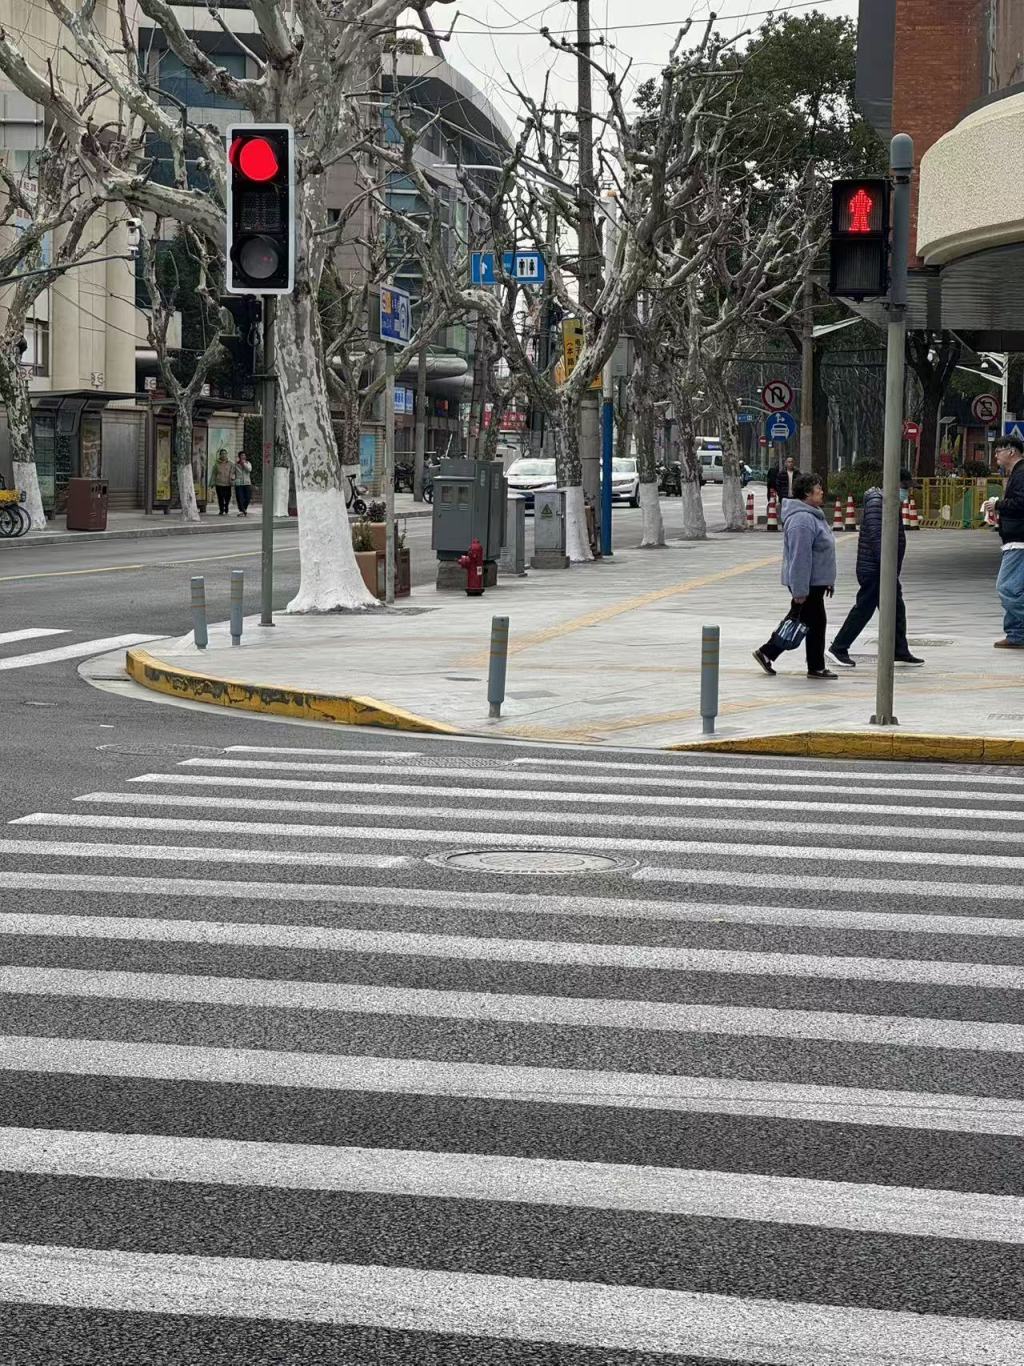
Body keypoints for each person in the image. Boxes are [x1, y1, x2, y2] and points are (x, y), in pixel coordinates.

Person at [826, 478, 924, 669]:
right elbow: (877, 536)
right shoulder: (878, 503)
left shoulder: (887, 502)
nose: (907, 493)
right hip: (875, 569)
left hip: (882, 569)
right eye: (905, 488)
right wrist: (887, 566)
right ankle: (838, 647)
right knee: (864, 609)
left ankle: (899, 650)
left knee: (896, 608)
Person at [753, 472, 838, 680]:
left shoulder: (813, 515)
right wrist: (800, 590)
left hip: (814, 583)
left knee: (806, 621)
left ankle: (776, 655)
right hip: (806, 583)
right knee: (806, 621)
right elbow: (800, 558)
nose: (822, 492)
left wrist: (827, 581)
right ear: (808, 493)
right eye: (818, 489)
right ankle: (771, 652)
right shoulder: (802, 520)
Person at [981, 435, 1024, 649]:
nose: (996, 455)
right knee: (1015, 588)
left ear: (1011, 451)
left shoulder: (1022, 473)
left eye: (999, 451)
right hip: (1014, 538)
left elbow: (1021, 503)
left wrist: (998, 506)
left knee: (1006, 588)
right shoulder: (1016, 474)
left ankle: (1018, 632)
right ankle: (1016, 635)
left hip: (1019, 540)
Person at [213, 449, 235, 516]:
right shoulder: (216, 464)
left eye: (225, 453)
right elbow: (214, 474)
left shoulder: (231, 464)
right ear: (220, 455)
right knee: (220, 497)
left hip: (228, 483)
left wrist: (232, 479)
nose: (223, 455)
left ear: (227, 454)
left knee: (228, 497)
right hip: (219, 483)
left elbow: (233, 472)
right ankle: (221, 510)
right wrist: (212, 483)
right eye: (222, 453)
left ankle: (226, 506)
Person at [234, 451, 253, 517]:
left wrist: (244, 464)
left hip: (247, 483)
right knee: (240, 497)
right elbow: (233, 472)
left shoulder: (248, 463)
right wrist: (232, 477)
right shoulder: (236, 464)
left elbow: (249, 470)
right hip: (239, 483)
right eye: (242, 455)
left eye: (244, 455)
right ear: (239, 457)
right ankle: (241, 510)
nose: (243, 457)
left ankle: (244, 509)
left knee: (248, 497)